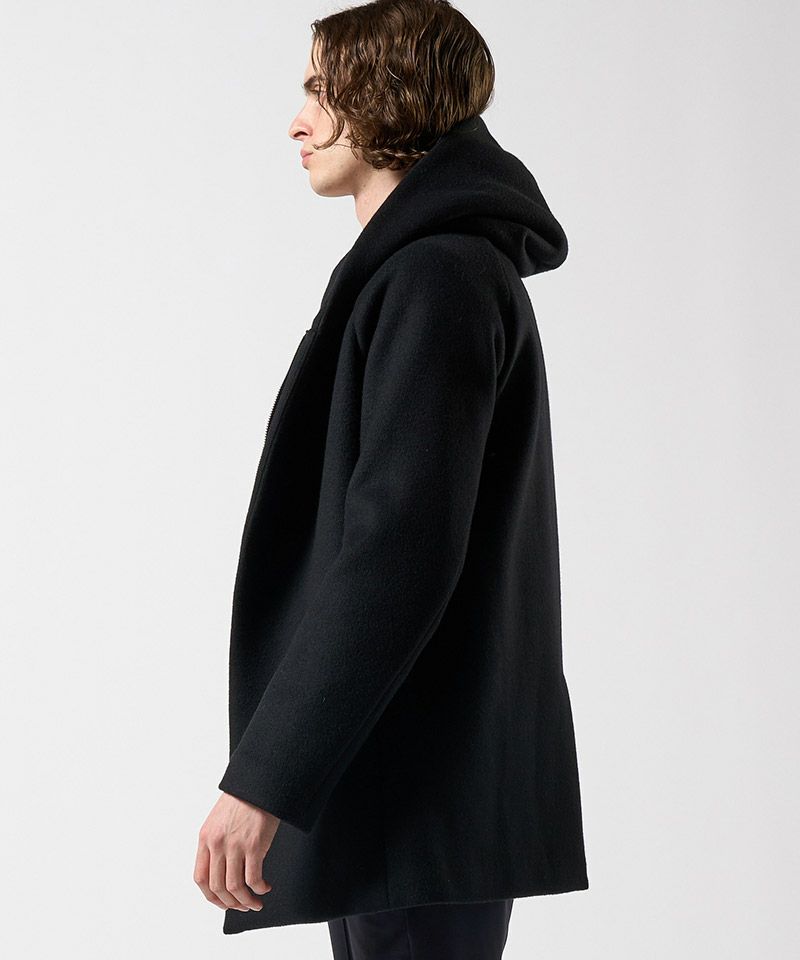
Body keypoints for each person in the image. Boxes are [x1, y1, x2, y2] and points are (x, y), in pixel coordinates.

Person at [194, 1, 588, 956]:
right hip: (407, 796)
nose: (297, 122)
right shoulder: (428, 272)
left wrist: (264, 780)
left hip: (415, 799)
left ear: (387, 100)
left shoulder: (436, 278)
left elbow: (398, 551)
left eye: (319, 92)